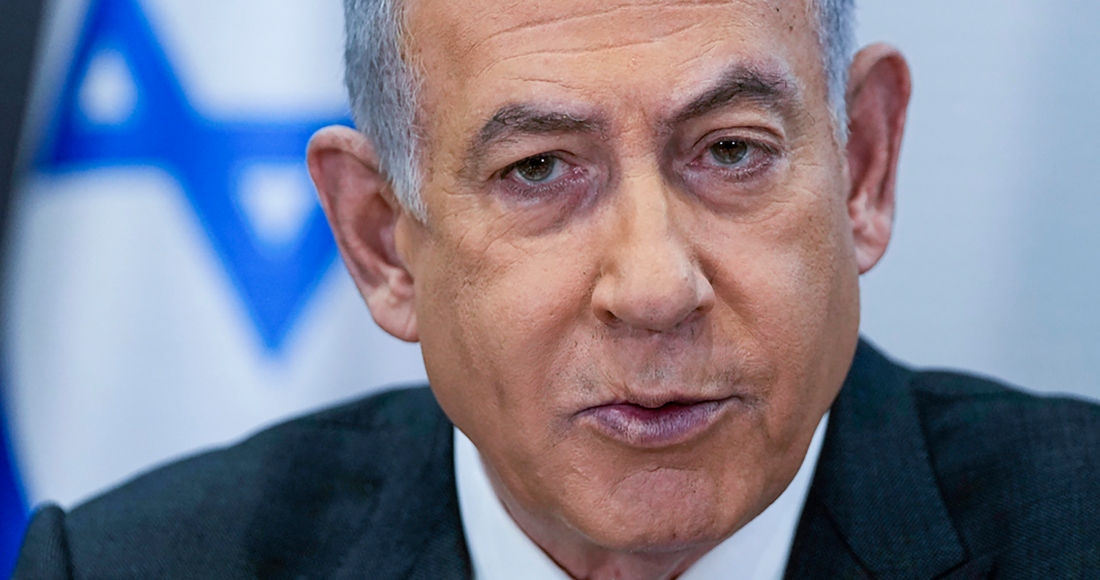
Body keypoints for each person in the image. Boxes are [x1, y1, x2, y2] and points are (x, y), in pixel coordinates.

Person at [13, 0, 1100, 577]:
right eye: (537, 170)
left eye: (730, 151)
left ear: (861, 165)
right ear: (383, 243)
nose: (654, 286)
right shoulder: (125, 567)